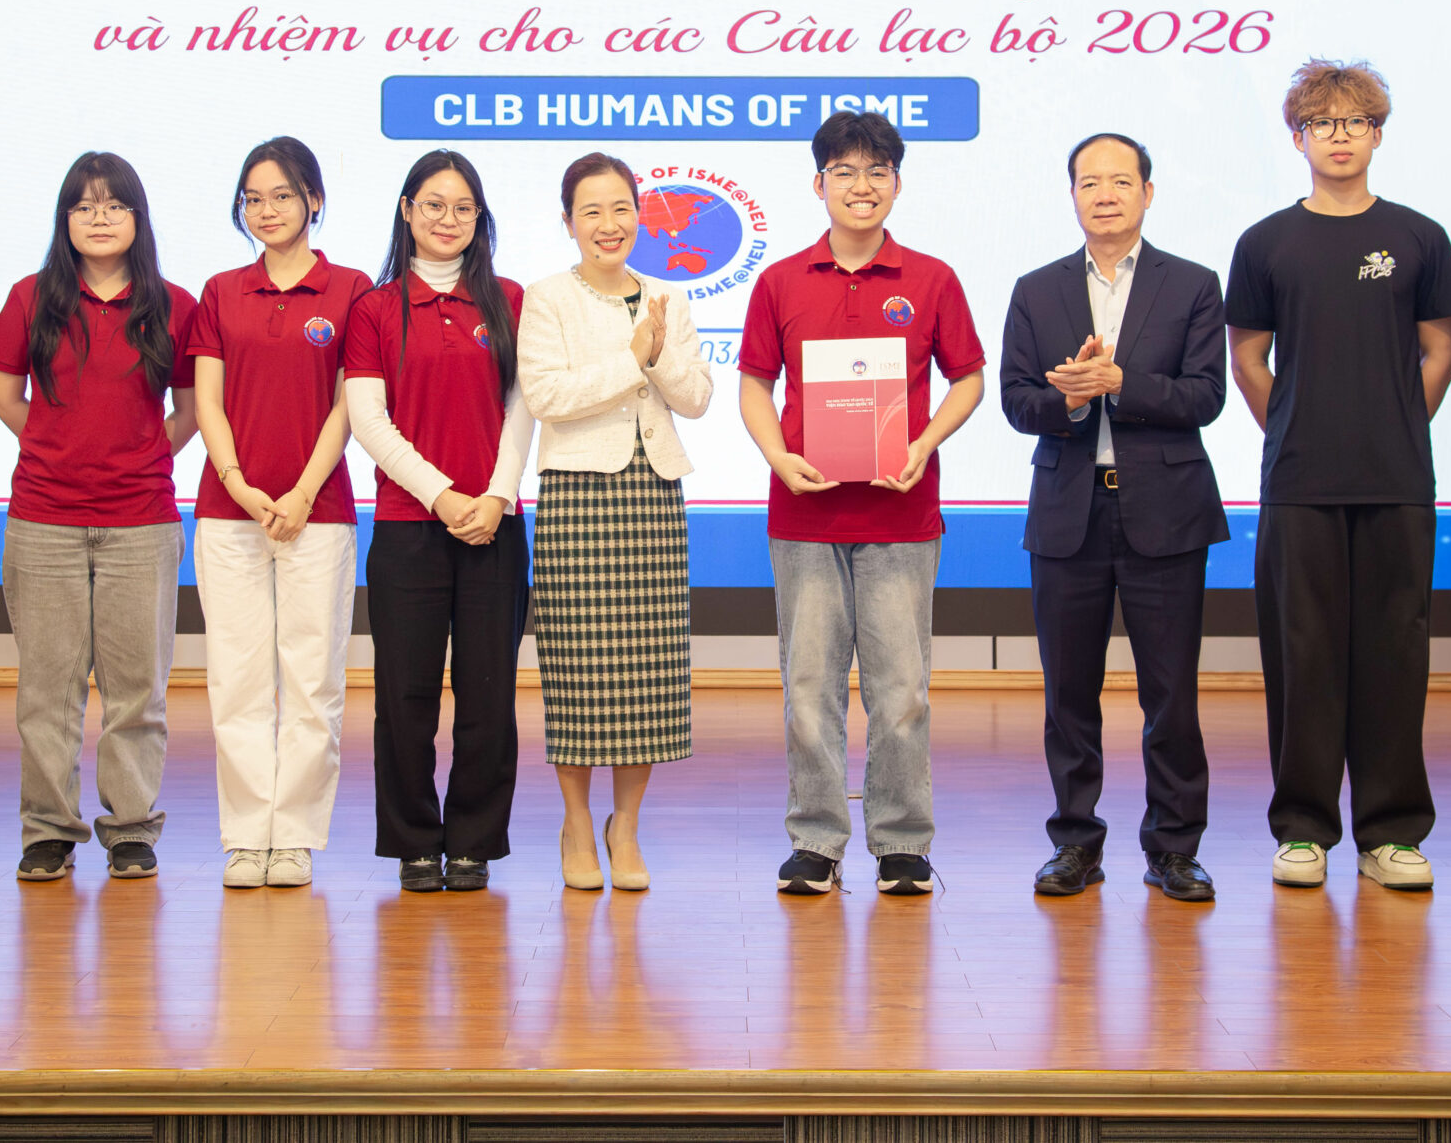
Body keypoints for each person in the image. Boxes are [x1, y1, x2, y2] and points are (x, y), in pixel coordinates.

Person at [1227, 58, 1451, 893]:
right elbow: (1248, 358)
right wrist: (1298, 425)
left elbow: (1440, 349)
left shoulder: (1419, 237)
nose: (1339, 136)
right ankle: (1303, 829)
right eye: (1322, 122)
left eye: (1355, 121)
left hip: (1397, 479)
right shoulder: (1265, 242)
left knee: (1395, 653)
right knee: (1303, 657)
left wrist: (1394, 421)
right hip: (1299, 482)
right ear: (1298, 137)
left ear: (1377, 134)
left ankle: (1392, 831)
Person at [740, 109, 986, 897]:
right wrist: (777, 456)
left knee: (901, 693)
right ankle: (815, 839)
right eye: (844, 171)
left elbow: (969, 378)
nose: (861, 184)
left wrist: (924, 443)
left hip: (900, 518)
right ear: (819, 184)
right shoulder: (780, 280)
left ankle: (903, 842)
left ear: (897, 184)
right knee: (808, 691)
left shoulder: (932, 279)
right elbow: (754, 385)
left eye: (877, 170)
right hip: (805, 519)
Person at [1000, 133, 1228, 903]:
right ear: (1072, 194)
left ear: (1147, 193)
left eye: (1121, 181)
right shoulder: (1036, 289)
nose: (1105, 194)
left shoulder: (1192, 284)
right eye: (1089, 181)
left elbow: (1205, 395)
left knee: (1171, 693)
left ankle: (1175, 848)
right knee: (1069, 694)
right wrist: (1069, 398)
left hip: (1167, 510)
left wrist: (1122, 380)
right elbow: (1016, 401)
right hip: (1068, 510)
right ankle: (1075, 843)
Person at [0, 152, 197, 883]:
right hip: (43, 518)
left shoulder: (172, 303)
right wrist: (55, 444)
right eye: (83, 206)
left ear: (138, 217)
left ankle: (131, 826)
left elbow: (191, 408)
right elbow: (0, 392)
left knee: (138, 690)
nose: (99, 218)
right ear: (65, 219)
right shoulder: (29, 297)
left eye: (114, 205)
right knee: (49, 689)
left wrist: (140, 451)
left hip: (142, 520)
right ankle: (49, 829)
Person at [517, 153, 715, 891]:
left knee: (647, 675)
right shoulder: (546, 298)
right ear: (568, 221)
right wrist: (634, 360)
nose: (609, 223)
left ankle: (624, 826)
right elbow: (547, 396)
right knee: (577, 669)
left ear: (640, 214)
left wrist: (656, 357)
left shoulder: (668, 296)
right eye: (592, 211)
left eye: (622, 208)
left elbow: (696, 398)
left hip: (653, 495)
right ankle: (576, 821)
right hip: (577, 498)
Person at [345, 150, 535, 893]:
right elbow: (370, 420)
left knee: (488, 696)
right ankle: (415, 842)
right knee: (405, 696)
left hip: (494, 525)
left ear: (480, 218)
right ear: (406, 210)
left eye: (463, 208)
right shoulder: (374, 308)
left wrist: (495, 496)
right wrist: (442, 496)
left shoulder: (510, 300)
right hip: (408, 526)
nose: (447, 219)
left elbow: (523, 408)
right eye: (433, 204)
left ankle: (474, 843)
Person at [187, 137, 366, 890]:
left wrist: (300, 492)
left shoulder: (350, 289)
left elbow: (349, 405)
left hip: (318, 513)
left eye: (283, 196)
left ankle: (292, 836)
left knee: (313, 680)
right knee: (237, 680)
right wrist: (237, 482)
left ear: (314, 200)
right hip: (228, 513)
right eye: (253, 199)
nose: (267, 210)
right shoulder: (221, 291)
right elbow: (207, 400)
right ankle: (244, 837)